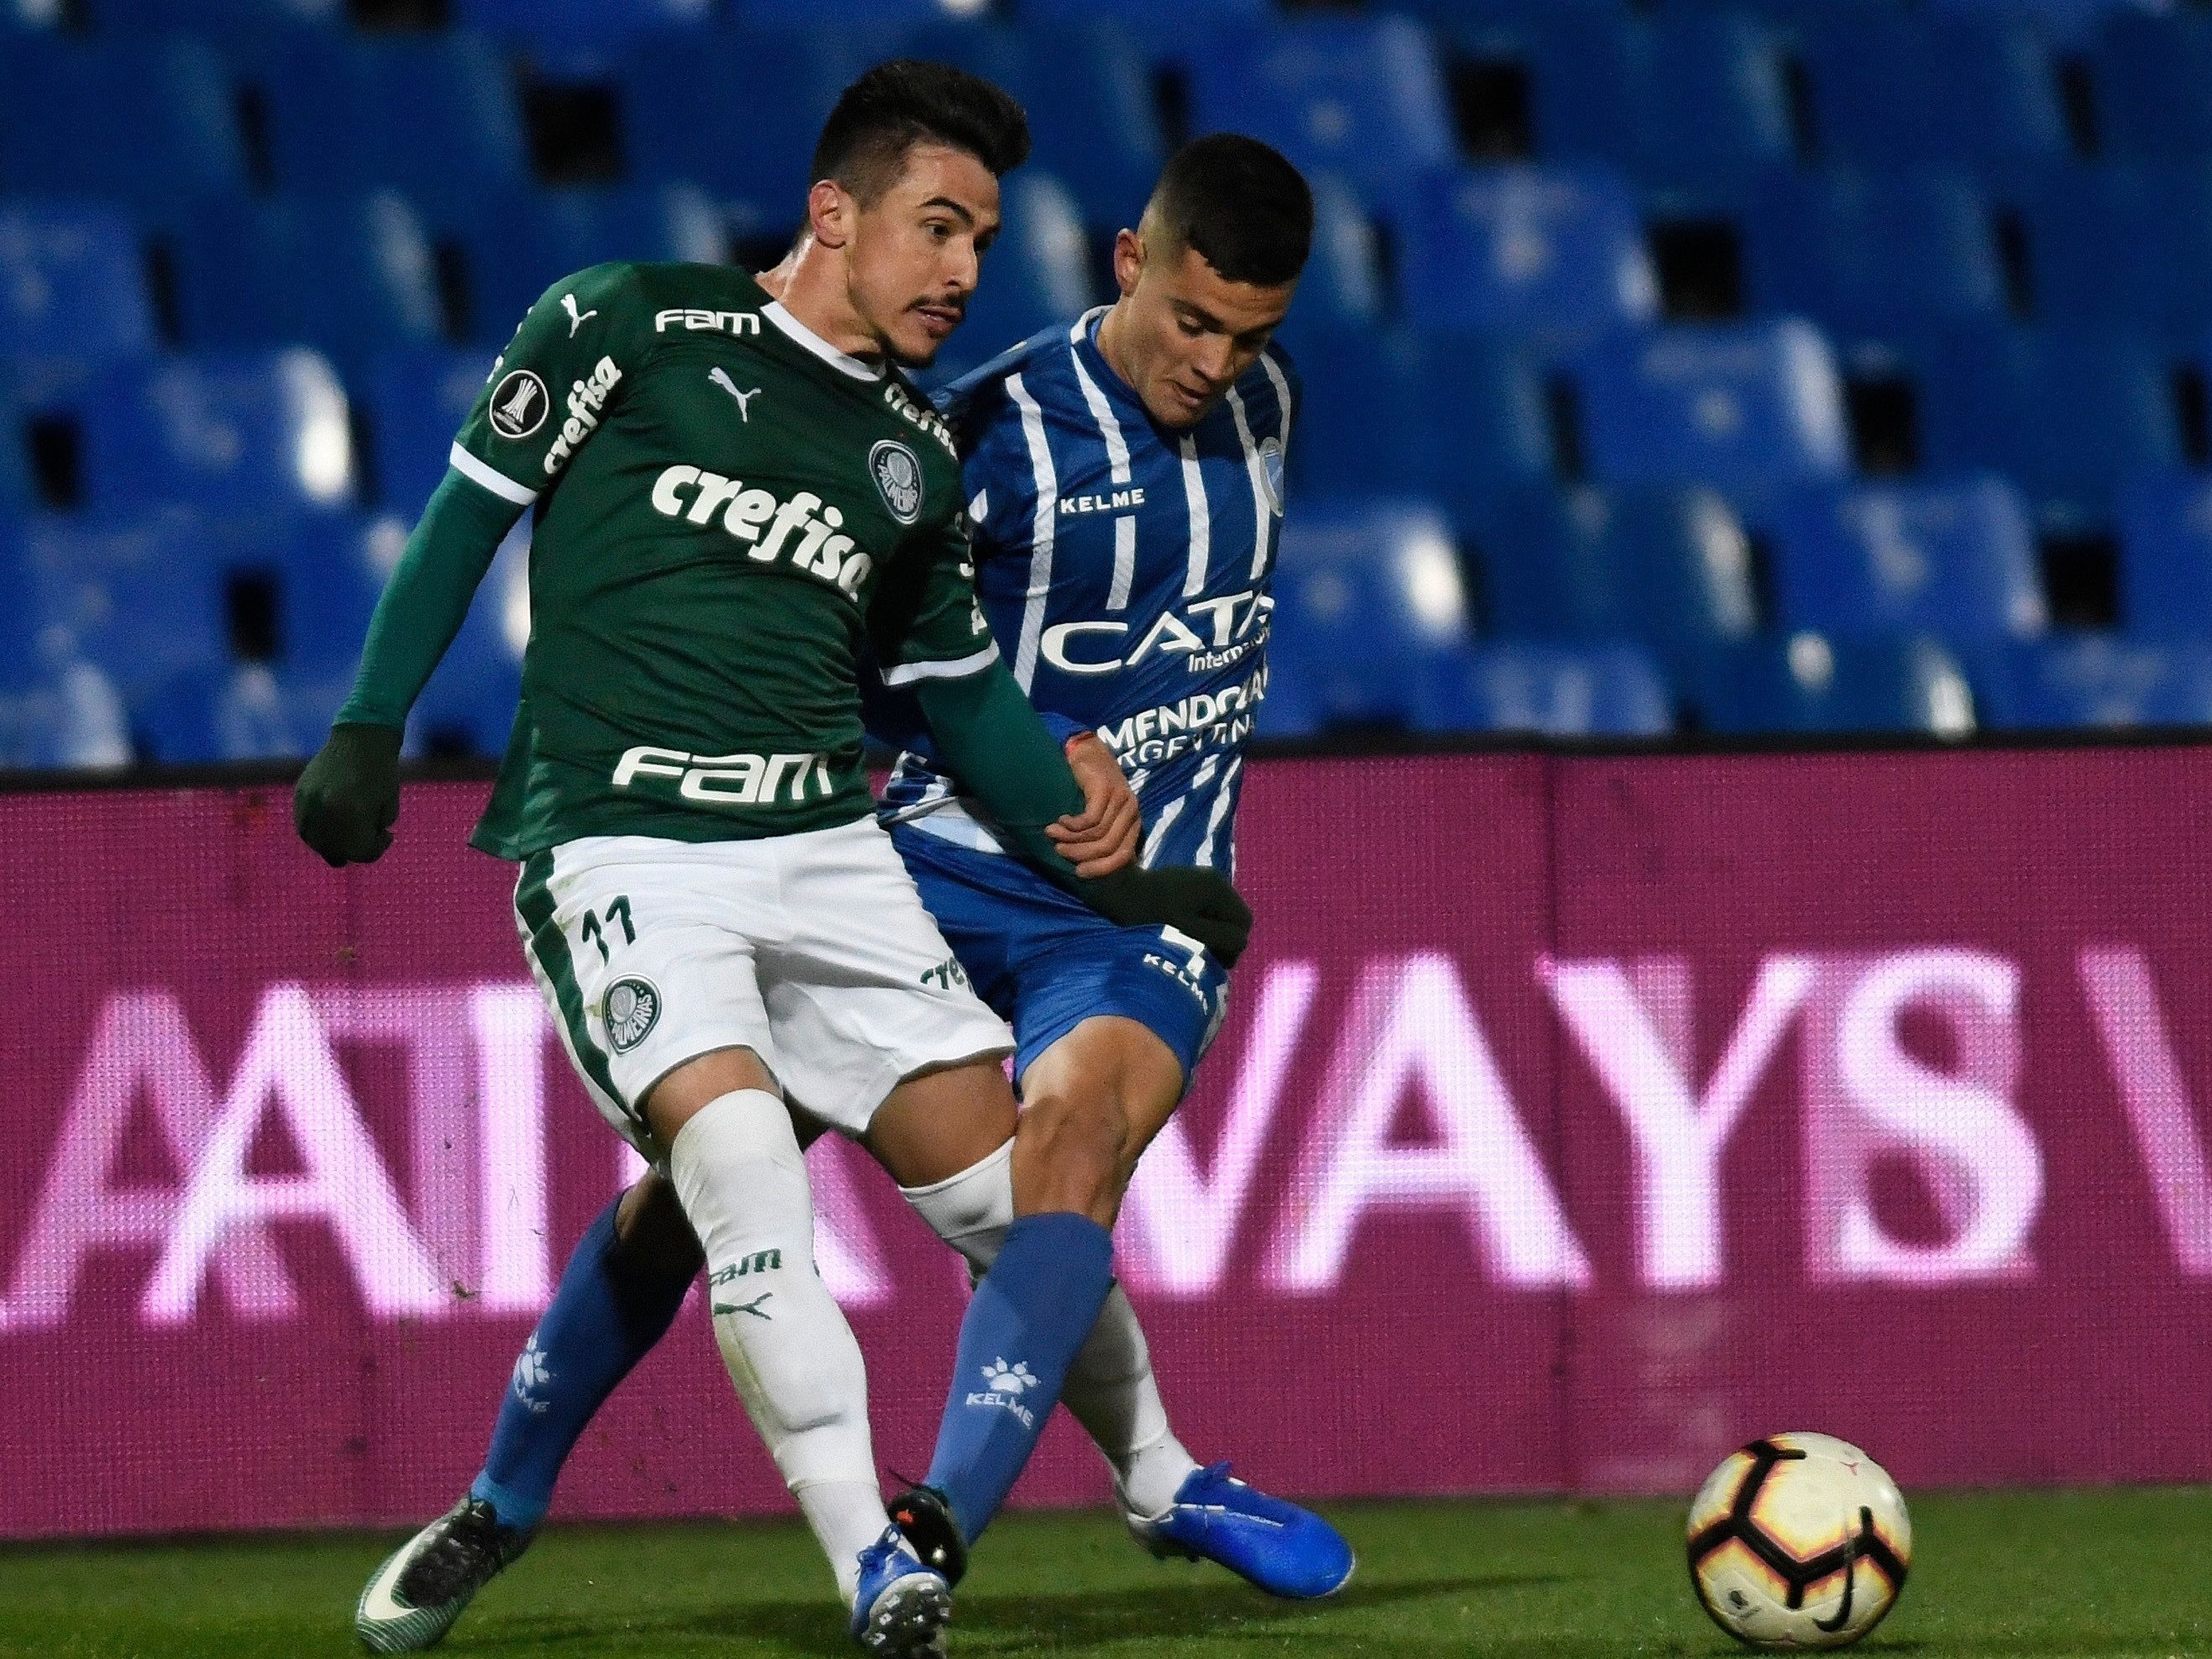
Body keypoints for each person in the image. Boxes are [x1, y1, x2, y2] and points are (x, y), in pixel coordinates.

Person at [299, 60, 1245, 1659]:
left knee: (1019, 1212)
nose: (962, 271)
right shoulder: (623, 325)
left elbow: (965, 703)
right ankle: (874, 1570)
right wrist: (368, 724)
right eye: (934, 228)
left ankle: (1156, 1476)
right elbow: (468, 517)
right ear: (833, 212)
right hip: (625, 842)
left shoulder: (908, 455)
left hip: (825, 851)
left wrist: (1114, 883)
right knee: (733, 1175)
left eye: (982, 240)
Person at [879, 131, 1342, 1588]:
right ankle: (495, 1503)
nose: (1212, 363)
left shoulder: (1271, 408)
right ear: (1127, 261)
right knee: (697, 1183)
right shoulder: (985, 429)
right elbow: (868, 656)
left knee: (1072, 1150)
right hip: (936, 870)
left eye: (1247, 333)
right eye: (1190, 320)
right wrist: (1040, 741)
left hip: (1135, 909)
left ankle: (929, 1535)